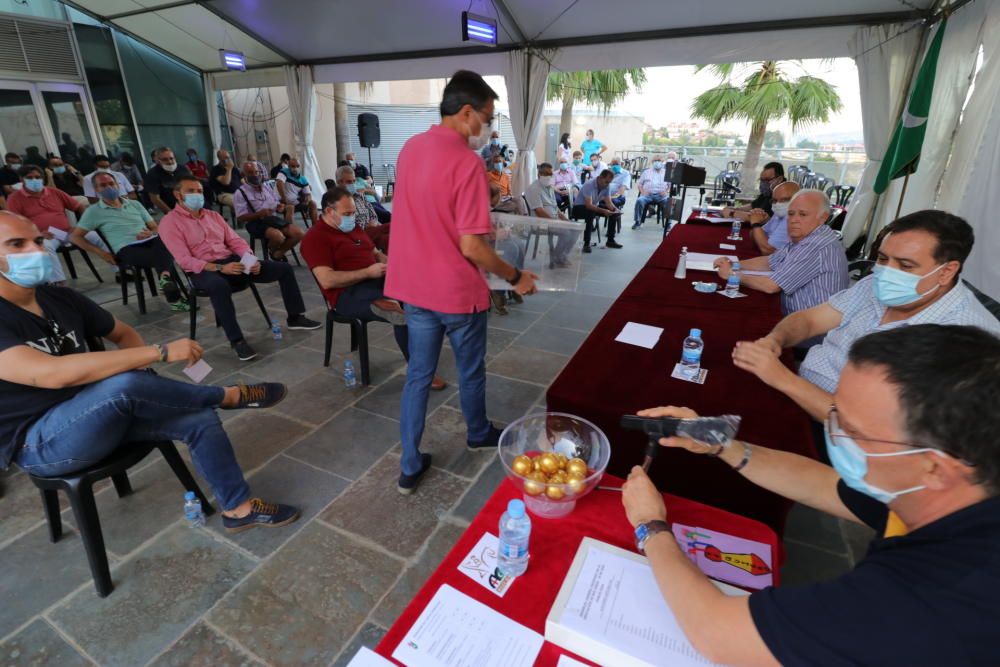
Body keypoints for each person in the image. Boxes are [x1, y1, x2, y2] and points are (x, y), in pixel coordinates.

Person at [622, 323, 1000, 667]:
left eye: (851, 430)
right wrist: (719, 443)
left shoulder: (931, 598)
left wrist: (650, 526)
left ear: (935, 467)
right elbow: (822, 484)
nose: (832, 433)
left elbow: (716, 633)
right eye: (834, 415)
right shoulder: (953, 489)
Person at [0, 211, 300, 533]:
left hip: (95, 411)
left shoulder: (58, 297)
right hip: (40, 442)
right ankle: (226, 395)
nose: (34, 251)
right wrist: (158, 353)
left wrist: (142, 373)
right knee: (125, 384)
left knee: (197, 417)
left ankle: (238, 510)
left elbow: (123, 333)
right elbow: (49, 374)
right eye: (16, 244)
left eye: (38, 241)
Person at [385, 69, 537, 495]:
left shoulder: (411, 148)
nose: (488, 128)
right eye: (488, 118)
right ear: (467, 112)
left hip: (414, 288)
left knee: (418, 375)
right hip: (454, 292)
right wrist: (515, 276)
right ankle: (477, 432)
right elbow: (471, 246)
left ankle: (410, 464)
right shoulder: (467, 163)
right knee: (470, 370)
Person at [732, 210, 1000, 431]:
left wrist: (782, 379)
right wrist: (775, 340)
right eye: (882, 259)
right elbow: (811, 320)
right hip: (797, 393)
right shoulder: (874, 284)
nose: (886, 272)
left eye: (905, 266)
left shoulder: (965, 338)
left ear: (947, 271)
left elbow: (869, 427)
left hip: (843, 441)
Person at [158, 175, 320, 361]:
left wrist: (250, 260)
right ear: (178, 195)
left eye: (200, 191)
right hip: (203, 269)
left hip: (232, 261)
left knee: (283, 269)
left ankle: (295, 317)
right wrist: (220, 268)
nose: (197, 195)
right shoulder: (170, 222)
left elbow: (235, 241)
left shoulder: (213, 216)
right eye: (191, 191)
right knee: (219, 286)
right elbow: (184, 260)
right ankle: (237, 341)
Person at [301, 187, 447, 390]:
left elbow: (376, 253)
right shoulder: (315, 239)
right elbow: (327, 280)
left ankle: (420, 331)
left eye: (353, 213)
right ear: (328, 211)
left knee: (421, 291)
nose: (352, 218)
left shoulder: (351, 228)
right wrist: (367, 273)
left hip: (376, 279)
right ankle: (419, 370)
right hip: (347, 294)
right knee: (399, 313)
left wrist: (395, 267)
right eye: (347, 214)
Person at [713, 189, 848, 315]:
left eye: (803, 214)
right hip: (797, 317)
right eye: (791, 213)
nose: (794, 219)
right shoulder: (807, 235)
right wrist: (733, 264)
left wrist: (732, 275)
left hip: (811, 331)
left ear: (823, 217)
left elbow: (771, 286)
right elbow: (770, 261)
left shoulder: (816, 244)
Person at [72, 171, 189, 312]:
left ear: (117, 185)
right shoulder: (94, 211)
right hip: (126, 250)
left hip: (150, 242)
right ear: (96, 190)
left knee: (167, 240)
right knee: (165, 251)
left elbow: (155, 227)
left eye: (111, 183)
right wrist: (102, 253)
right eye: (103, 185)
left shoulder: (135, 204)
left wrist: (151, 232)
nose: (108, 187)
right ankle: (169, 286)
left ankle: (166, 280)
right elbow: (75, 237)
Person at [6, 165, 113, 285]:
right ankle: (59, 284)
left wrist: (82, 226)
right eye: (30, 178)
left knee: (96, 236)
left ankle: (121, 271)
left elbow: (79, 207)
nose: (34, 180)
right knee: (45, 247)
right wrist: (36, 235)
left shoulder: (54, 192)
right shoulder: (14, 198)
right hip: (45, 236)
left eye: (37, 177)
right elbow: (15, 223)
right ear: (21, 179)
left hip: (68, 232)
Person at [234, 161, 303, 261]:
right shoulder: (240, 193)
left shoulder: (266, 187)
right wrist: (258, 214)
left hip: (272, 219)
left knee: (299, 233)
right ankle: (273, 248)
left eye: (256, 172)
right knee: (278, 237)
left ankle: (277, 253)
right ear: (244, 175)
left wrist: (280, 207)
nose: (255, 175)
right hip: (255, 223)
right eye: (250, 173)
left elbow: (276, 202)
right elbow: (240, 217)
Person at [524, 162, 578, 268]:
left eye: (550, 174)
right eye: (545, 174)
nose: (548, 176)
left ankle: (561, 255)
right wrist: (555, 221)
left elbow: (555, 206)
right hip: (541, 222)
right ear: (539, 174)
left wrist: (565, 219)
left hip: (553, 219)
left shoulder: (549, 187)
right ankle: (556, 257)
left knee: (575, 228)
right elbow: (539, 211)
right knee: (566, 232)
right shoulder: (533, 189)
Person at [572, 169, 622, 252]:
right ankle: (586, 243)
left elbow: (608, 202)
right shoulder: (589, 184)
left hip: (592, 207)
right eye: (606, 181)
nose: (607, 184)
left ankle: (610, 240)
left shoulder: (607, 186)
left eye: (609, 182)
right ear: (600, 178)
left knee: (614, 214)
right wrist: (603, 211)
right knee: (590, 213)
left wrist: (615, 210)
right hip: (579, 208)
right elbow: (588, 205)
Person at [748, 181, 799, 255]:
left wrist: (756, 224)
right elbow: (754, 236)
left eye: (784, 200)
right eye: (774, 201)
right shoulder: (779, 213)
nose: (778, 204)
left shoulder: (792, 218)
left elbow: (767, 250)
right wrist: (761, 220)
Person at [144, 147, 192, 214]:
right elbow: (155, 199)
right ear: (158, 161)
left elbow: (193, 186)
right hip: (172, 208)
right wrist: (171, 214)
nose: (169, 162)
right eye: (164, 159)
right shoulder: (152, 174)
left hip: (191, 204)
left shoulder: (183, 169)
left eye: (171, 158)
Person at [275, 157, 318, 226]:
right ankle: (290, 231)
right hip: (281, 202)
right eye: (293, 166)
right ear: (288, 166)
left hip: (294, 202)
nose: (295, 168)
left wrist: (307, 200)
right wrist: (285, 200)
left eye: (297, 166)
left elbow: (308, 194)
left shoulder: (303, 179)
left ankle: (315, 228)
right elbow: (279, 184)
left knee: (313, 203)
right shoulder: (283, 172)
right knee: (290, 207)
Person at [632, 155, 671, 229]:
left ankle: (668, 223)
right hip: (648, 195)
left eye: (659, 160)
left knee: (669, 202)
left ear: (662, 162)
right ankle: (637, 222)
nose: (657, 162)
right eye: (655, 161)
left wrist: (666, 191)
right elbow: (640, 184)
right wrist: (643, 192)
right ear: (652, 162)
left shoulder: (666, 172)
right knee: (639, 200)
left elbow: (670, 185)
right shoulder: (646, 172)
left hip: (661, 196)